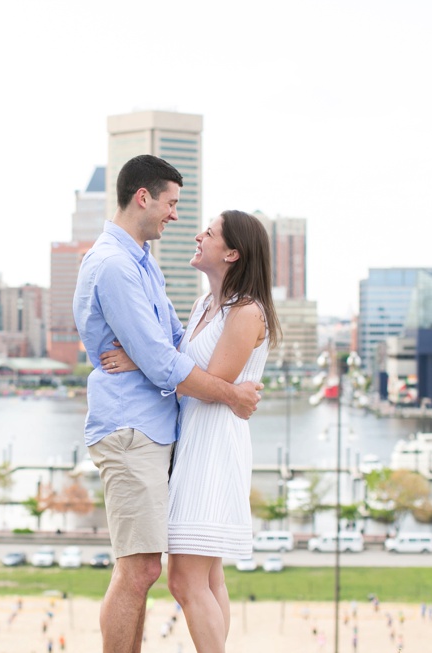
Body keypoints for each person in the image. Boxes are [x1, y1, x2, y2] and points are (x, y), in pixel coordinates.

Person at [73, 154, 262, 653]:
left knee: (150, 570)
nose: (176, 216)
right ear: (143, 197)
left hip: (159, 429)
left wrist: (143, 358)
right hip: (132, 428)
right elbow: (162, 360)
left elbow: (168, 345)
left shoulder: (142, 263)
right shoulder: (115, 265)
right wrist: (233, 394)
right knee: (138, 569)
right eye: (172, 203)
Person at [105, 210, 280, 652]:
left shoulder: (246, 312)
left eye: (211, 232)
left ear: (233, 253)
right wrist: (147, 357)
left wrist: (146, 358)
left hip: (214, 448)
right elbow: (184, 368)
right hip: (193, 444)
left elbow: (211, 382)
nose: (198, 236)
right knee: (208, 576)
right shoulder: (207, 306)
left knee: (185, 581)